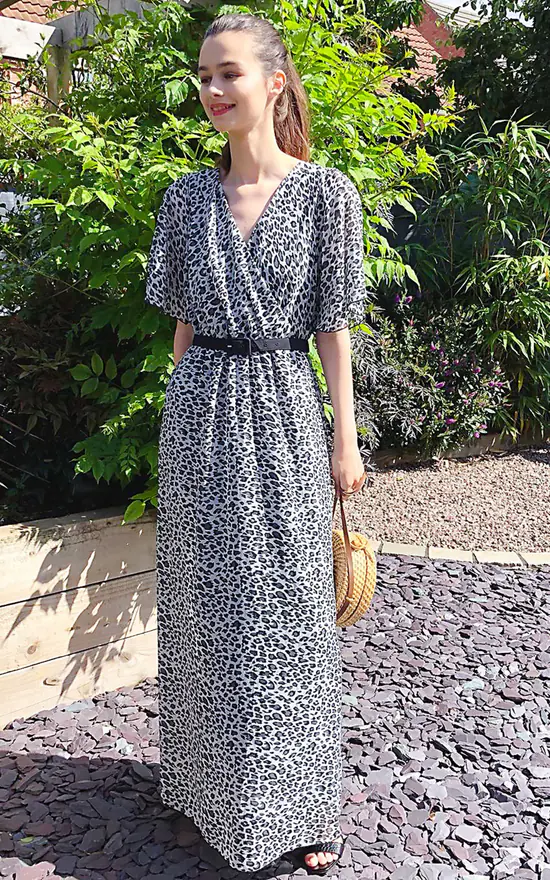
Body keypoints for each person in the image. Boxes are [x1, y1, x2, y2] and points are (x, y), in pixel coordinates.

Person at [144, 10, 368, 876]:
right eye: (204, 75)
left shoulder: (326, 195)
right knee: (203, 606)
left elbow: (335, 331)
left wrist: (345, 442)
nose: (212, 88)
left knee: (288, 611)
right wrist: (178, 416)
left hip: (281, 411)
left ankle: (297, 807)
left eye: (228, 72)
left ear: (274, 83)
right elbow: (183, 326)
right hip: (199, 415)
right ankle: (204, 787)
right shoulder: (185, 198)